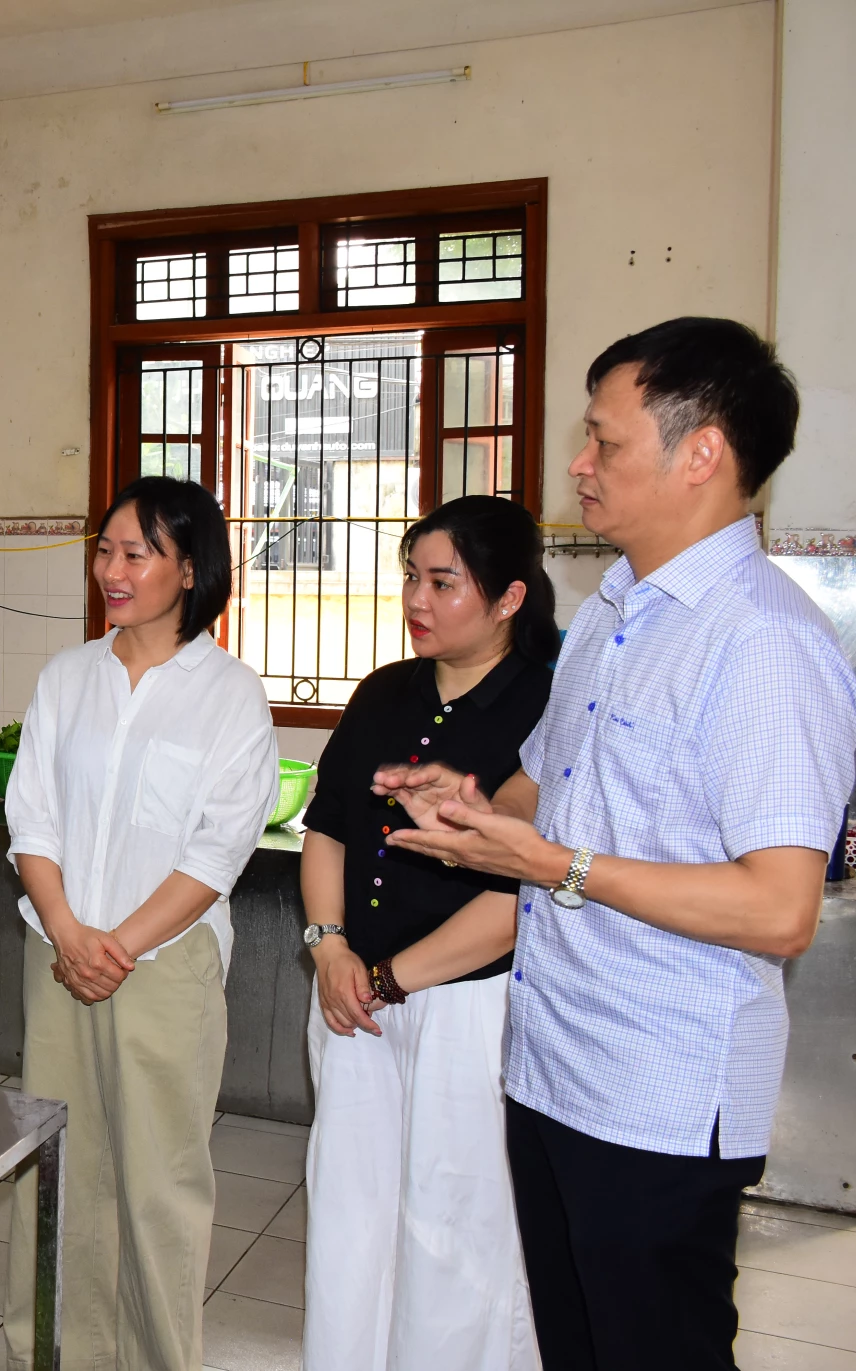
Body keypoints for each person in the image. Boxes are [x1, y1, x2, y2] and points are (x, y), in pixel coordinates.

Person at [377, 317, 856, 1370]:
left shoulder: (763, 643)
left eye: (604, 440)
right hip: (553, 1063)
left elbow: (780, 908)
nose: (578, 463)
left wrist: (554, 867)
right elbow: (543, 783)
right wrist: (472, 808)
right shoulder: (613, 610)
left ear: (702, 453)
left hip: (661, 1093)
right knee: (577, 1346)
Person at [3, 476, 276, 1371]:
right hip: (60, 957)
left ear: (190, 569)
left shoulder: (230, 693)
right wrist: (69, 930)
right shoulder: (66, 677)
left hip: (163, 968)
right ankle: (53, 1356)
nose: (110, 570)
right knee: (60, 1175)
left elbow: (218, 846)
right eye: (105, 548)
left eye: (136, 553)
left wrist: (117, 944)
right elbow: (30, 815)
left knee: (159, 1186)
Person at [299, 495, 555, 1371]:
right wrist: (329, 944)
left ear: (509, 597)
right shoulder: (383, 692)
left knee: (457, 1224)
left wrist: (391, 977)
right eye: (412, 576)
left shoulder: (544, 708)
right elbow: (328, 826)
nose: (417, 597)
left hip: (465, 1008)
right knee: (352, 1209)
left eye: (443, 582)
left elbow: (522, 889)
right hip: (352, 995)